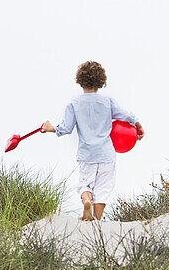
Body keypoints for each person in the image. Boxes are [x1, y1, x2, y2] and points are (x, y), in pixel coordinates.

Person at [41, 60, 144, 221]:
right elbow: (127, 116)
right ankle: (96, 220)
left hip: (86, 154)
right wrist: (137, 125)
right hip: (106, 154)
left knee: (85, 185)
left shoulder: (74, 104)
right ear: (101, 81)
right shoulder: (107, 102)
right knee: (103, 188)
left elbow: (65, 128)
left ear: (80, 80)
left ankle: (87, 200)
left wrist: (50, 127)